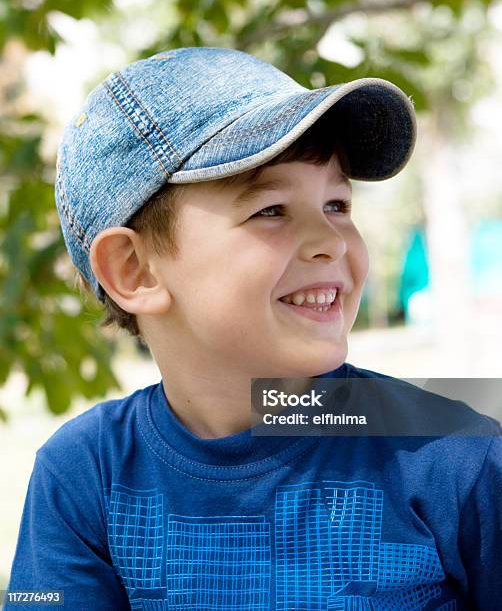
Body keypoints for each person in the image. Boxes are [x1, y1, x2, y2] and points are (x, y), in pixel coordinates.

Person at [5, 46, 502, 610]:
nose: (332, 241)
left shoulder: (456, 454)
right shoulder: (83, 474)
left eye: (337, 203)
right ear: (134, 270)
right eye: (271, 210)